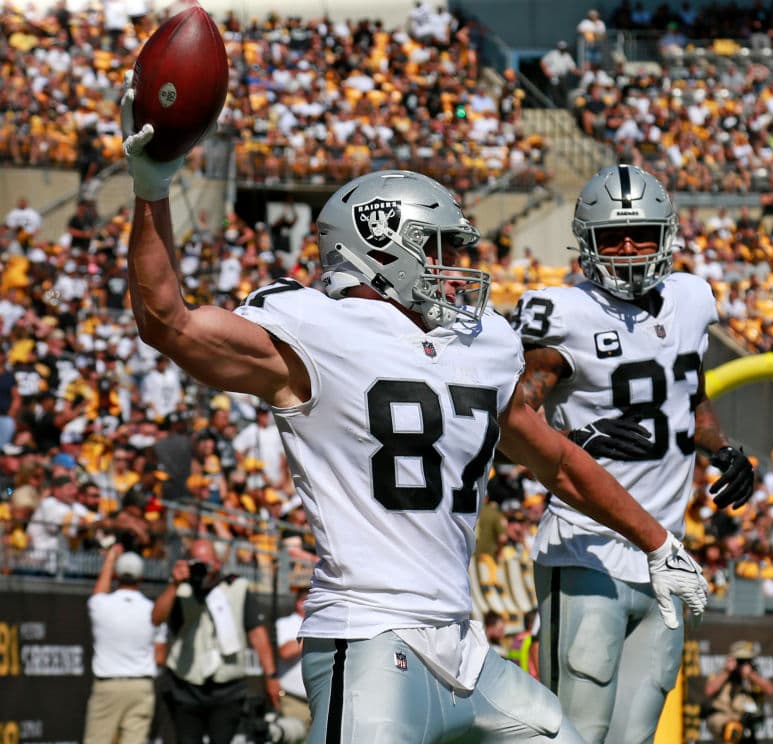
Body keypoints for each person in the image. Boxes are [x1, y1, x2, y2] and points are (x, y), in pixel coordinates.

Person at [120, 78, 709, 743]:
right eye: (441, 248)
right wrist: (152, 187)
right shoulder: (315, 330)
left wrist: (657, 542)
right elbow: (168, 321)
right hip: (370, 638)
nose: (457, 265)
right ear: (381, 246)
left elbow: (560, 463)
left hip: (465, 649)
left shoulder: (482, 343)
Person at [513, 164, 754, 743]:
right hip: (586, 548)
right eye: (612, 236)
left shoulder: (691, 299)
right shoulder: (562, 313)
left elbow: (689, 396)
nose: (626, 248)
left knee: (635, 736)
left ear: (665, 236)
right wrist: (575, 443)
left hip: (666, 553)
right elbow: (512, 419)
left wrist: (722, 449)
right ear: (586, 241)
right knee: (576, 732)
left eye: (640, 235)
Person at [151, 539, 280, 744]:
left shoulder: (236, 587)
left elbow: (257, 632)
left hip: (227, 685)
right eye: (196, 562)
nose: (201, 567)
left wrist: (271, 675)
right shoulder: (181, 589)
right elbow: (156, 618)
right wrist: (174, 584)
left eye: (206, 562)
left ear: (218, 563)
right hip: (187, 683)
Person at [83, 544, 158, 744]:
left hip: (108, 685)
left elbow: (98, 594)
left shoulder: (101, 605)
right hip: (141, 685)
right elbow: (159, 656)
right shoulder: (152, 609)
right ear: (141, 577)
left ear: (116, 575)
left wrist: (110, 559)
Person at [703, 641, 773, 743]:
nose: (741, 664)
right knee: (732, 729)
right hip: (723, 718)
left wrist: (751, 675)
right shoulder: (722, 673)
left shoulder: (753, 675)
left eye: (746, 661)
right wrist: (727, 671)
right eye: (739, 661)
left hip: (745, 719)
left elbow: (770, 690)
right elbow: (709, 691)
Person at [275, 584, 311, 734]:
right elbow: (285, 652)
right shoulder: (285, 623)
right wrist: (315, 633)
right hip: (294, 701)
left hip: (320, 702)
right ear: (300, 603)